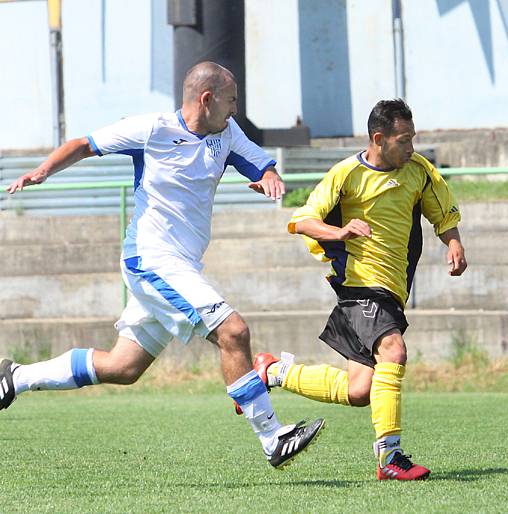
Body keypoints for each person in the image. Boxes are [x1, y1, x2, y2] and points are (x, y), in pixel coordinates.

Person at [0, 61, 324, 468]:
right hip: (151, 259)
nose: (235, 110)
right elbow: (86, 143)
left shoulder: (226, 132)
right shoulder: (152, 129)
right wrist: (42, 170)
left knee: (124, 366)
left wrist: (270, 177)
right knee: (233, 331)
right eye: (232, 101)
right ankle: (272, 437)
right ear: (206, 100)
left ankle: (16, 378)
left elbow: (258, 162)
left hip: (179, 265)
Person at [247, 99, 466, 480]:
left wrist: (453, 241)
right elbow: (303, 221)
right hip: (359, 286)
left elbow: (441, 210)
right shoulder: (346, 174)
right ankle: (390, 459)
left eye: (413, 138)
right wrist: (341, 231)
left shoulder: (418, 171)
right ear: (378, 139)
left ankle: (274, 372)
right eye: (403, 140)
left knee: (360, 389)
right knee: (393, 351)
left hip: (393, 291)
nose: (411, 147)